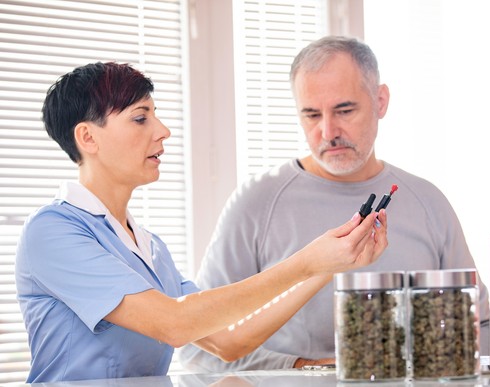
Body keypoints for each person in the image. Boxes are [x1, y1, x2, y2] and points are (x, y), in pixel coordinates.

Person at [14, 61, 388, 383]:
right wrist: (306, 261)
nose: (162, 131)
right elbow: (175, 324)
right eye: (141, 118)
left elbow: (229, 342)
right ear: (87, 137)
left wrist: (329, 266)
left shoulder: (148, 247)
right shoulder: (52, 232)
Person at [179, 35, 490, 372]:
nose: (328, 131)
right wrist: (306, 366)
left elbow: (481, 328)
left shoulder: (429, 203)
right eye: (312, 115)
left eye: (344, 110)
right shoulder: (255, 204)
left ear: (381, 100)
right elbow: (200, 352)